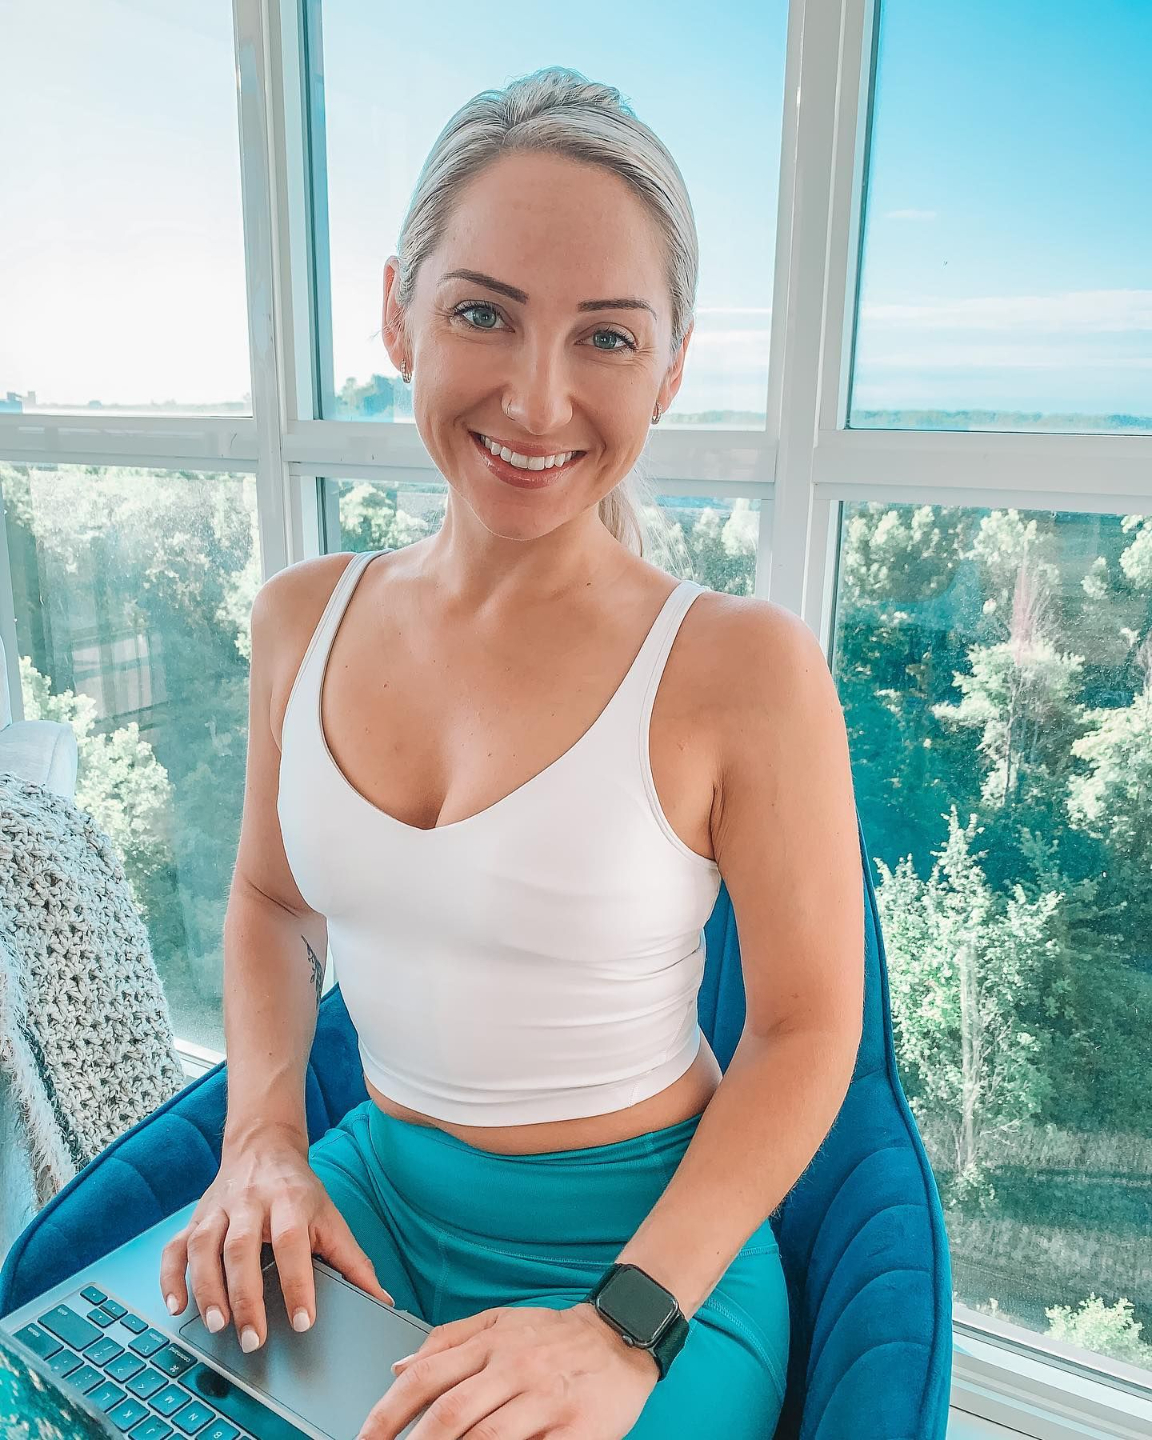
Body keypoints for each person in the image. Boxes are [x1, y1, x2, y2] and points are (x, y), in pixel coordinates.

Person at [158, 65, 864, 1440]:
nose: (539, 403)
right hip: (370, 1198)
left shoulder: (744, 668)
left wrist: (625, 1327)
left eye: (607, 338)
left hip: (643, 1259)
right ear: (397, 314)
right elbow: (271, 900)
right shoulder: (300, 620)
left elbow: (806, 1027)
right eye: (483, 313)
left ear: (670, 368)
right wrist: (263, 1143)